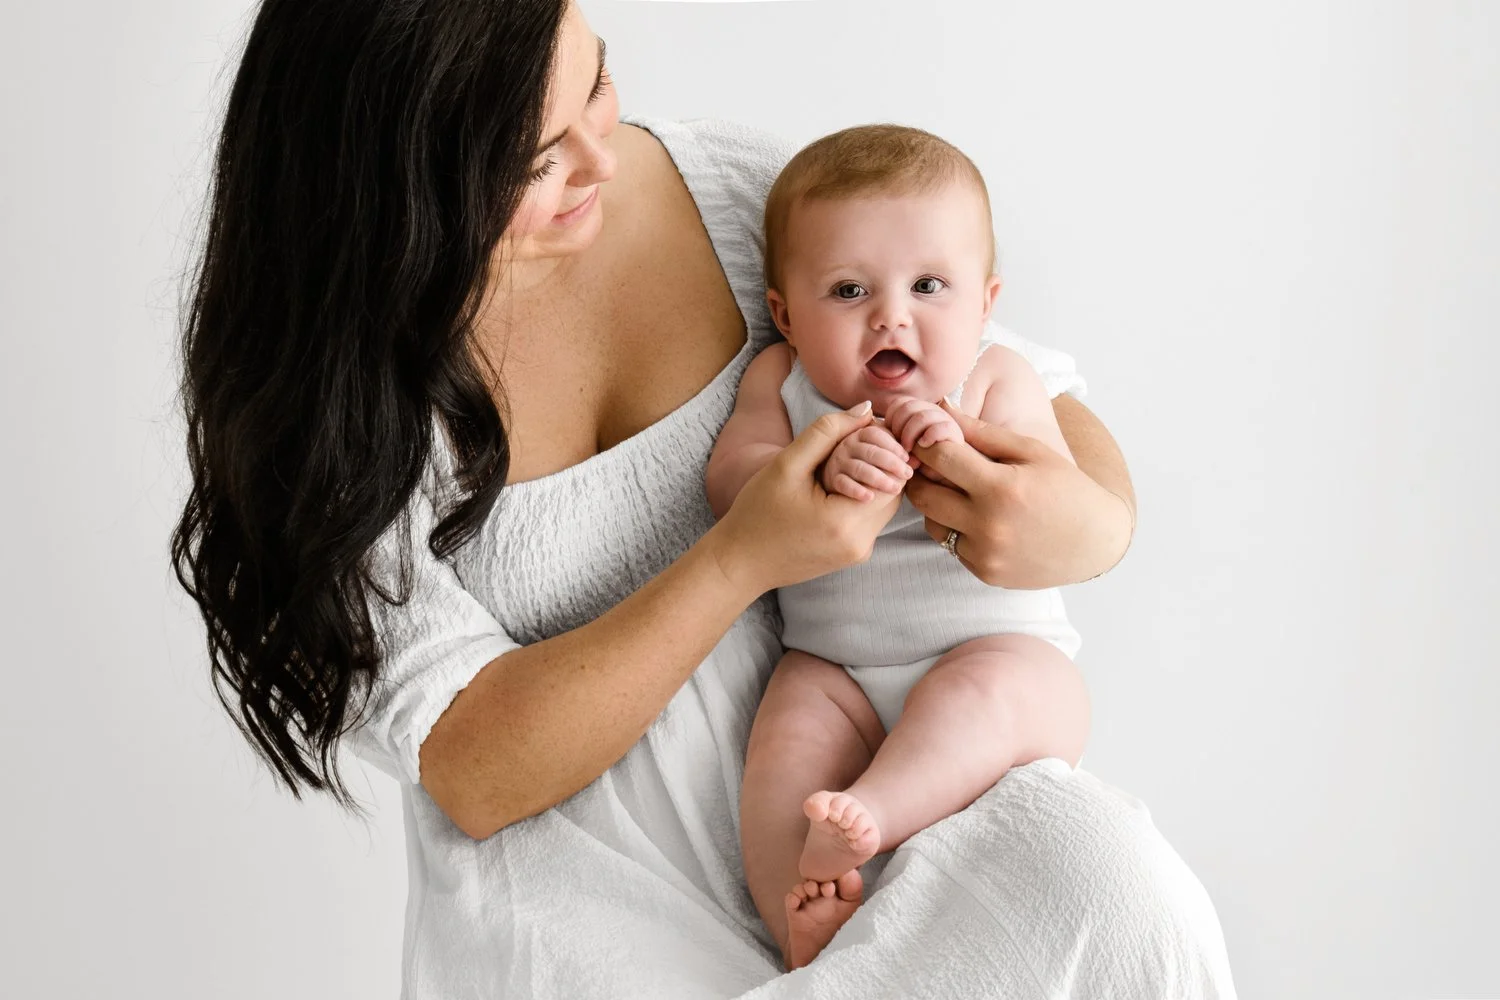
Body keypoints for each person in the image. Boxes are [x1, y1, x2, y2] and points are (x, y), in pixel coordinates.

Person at [171, 1, 1237, 996]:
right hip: (588, 895)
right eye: (534, 159)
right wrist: (743, 553)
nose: (603, 156)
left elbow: (1010, 372)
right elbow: (477, 771)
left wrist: (1083, 524)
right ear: (399, 185)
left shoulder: (729, 193)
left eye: (596, 86)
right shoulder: (344, 408)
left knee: (1120, 898)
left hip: (874, 801)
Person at [709, 123, 1093, 970]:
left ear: (986, 304)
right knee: (783, 751)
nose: (892, 315)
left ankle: (875, 811)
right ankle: (799, 917)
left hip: (991, 649)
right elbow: (732, 482)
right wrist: (810, 467)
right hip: (833, 664)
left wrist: (967, 445)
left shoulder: (996, 380)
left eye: (928, 285)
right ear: (785, 314)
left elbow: (1053, 502)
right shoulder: (782, 381)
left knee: (1010, 689)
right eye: (847, 291)